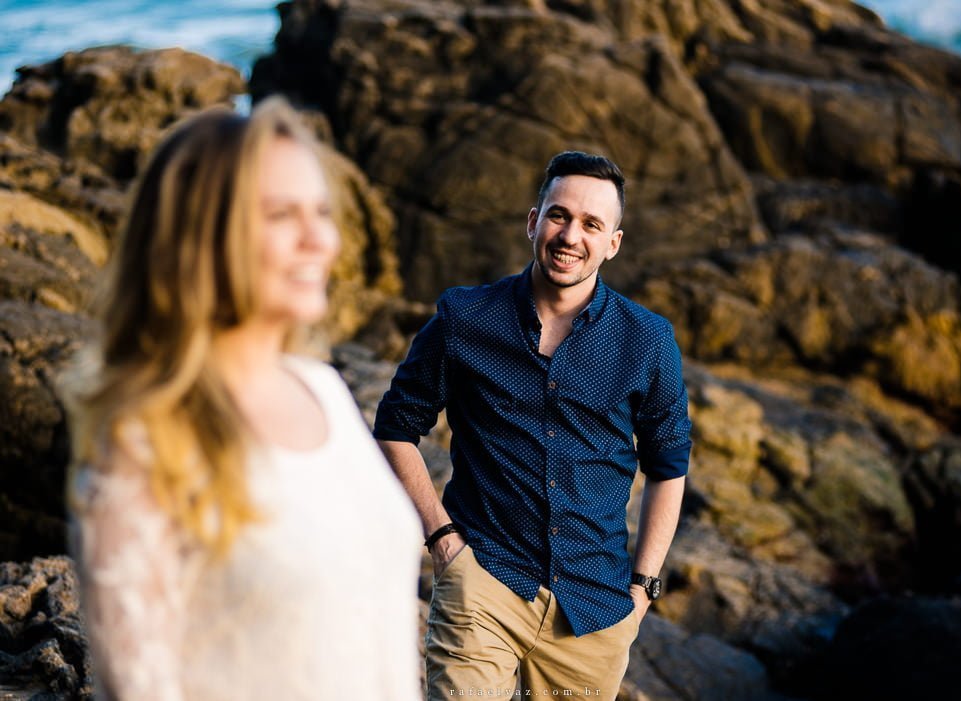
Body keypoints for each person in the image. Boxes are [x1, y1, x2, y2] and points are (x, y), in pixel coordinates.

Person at [61, 96, 422, 701]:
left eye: (322, 212)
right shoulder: (149, 441)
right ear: (201, 237)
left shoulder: (326, 392)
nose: (319, 241)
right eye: (282, 215)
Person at [373, 151, 692, 698]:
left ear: (613, 243)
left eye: (592, 224)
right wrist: (443, 539)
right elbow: (394, 427)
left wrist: (641, 590)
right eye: (559, 215)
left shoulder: (648, 341)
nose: (571, 236)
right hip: (484, 583)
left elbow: (668, 467)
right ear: (533, 221)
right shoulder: (465, 318)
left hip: (594, 608)